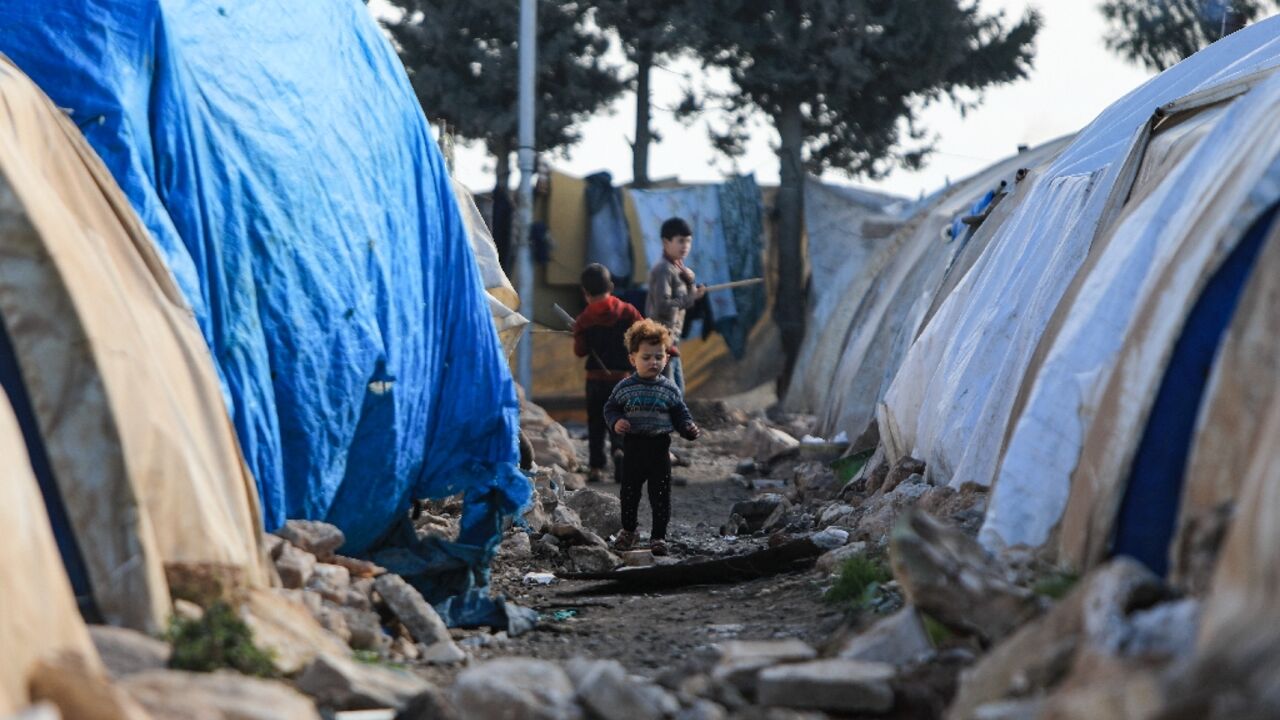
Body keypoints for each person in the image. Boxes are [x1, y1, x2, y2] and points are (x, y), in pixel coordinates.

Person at [603, 319, 701, 556]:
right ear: (632, 359)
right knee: (629, 493)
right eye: (646, 357)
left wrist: (688, 428)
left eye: (658, 357)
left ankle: (658, 537)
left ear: (666, 358)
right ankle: (628, 530)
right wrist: (617, 422)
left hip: (659, 448)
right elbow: (610, 408)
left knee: (660, 495)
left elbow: (680, 413)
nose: (653, 362)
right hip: (634, 447)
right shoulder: (624, 387)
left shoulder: (669, 389)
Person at [573, 263, 643, 483]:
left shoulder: (584, 319)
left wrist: (579, 334)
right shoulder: (627, 311)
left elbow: (580, 351)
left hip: (595, 380)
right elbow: (643, 332)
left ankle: (595, 468)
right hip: (622, 379)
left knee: (596, 423)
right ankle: (619, 451)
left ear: (585, 293)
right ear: (611, 286)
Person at [645, 217, 706, 395]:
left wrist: (691, 285)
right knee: (670, 390)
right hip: (660, 341)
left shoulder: (678, 269)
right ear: (666, 242)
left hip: (673, 339)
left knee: (677, 389)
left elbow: (684, 298)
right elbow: (663, 306)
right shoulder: (664, 269)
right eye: (680, 240)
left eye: (688, 241)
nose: (685, 246)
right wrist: (690, 297)